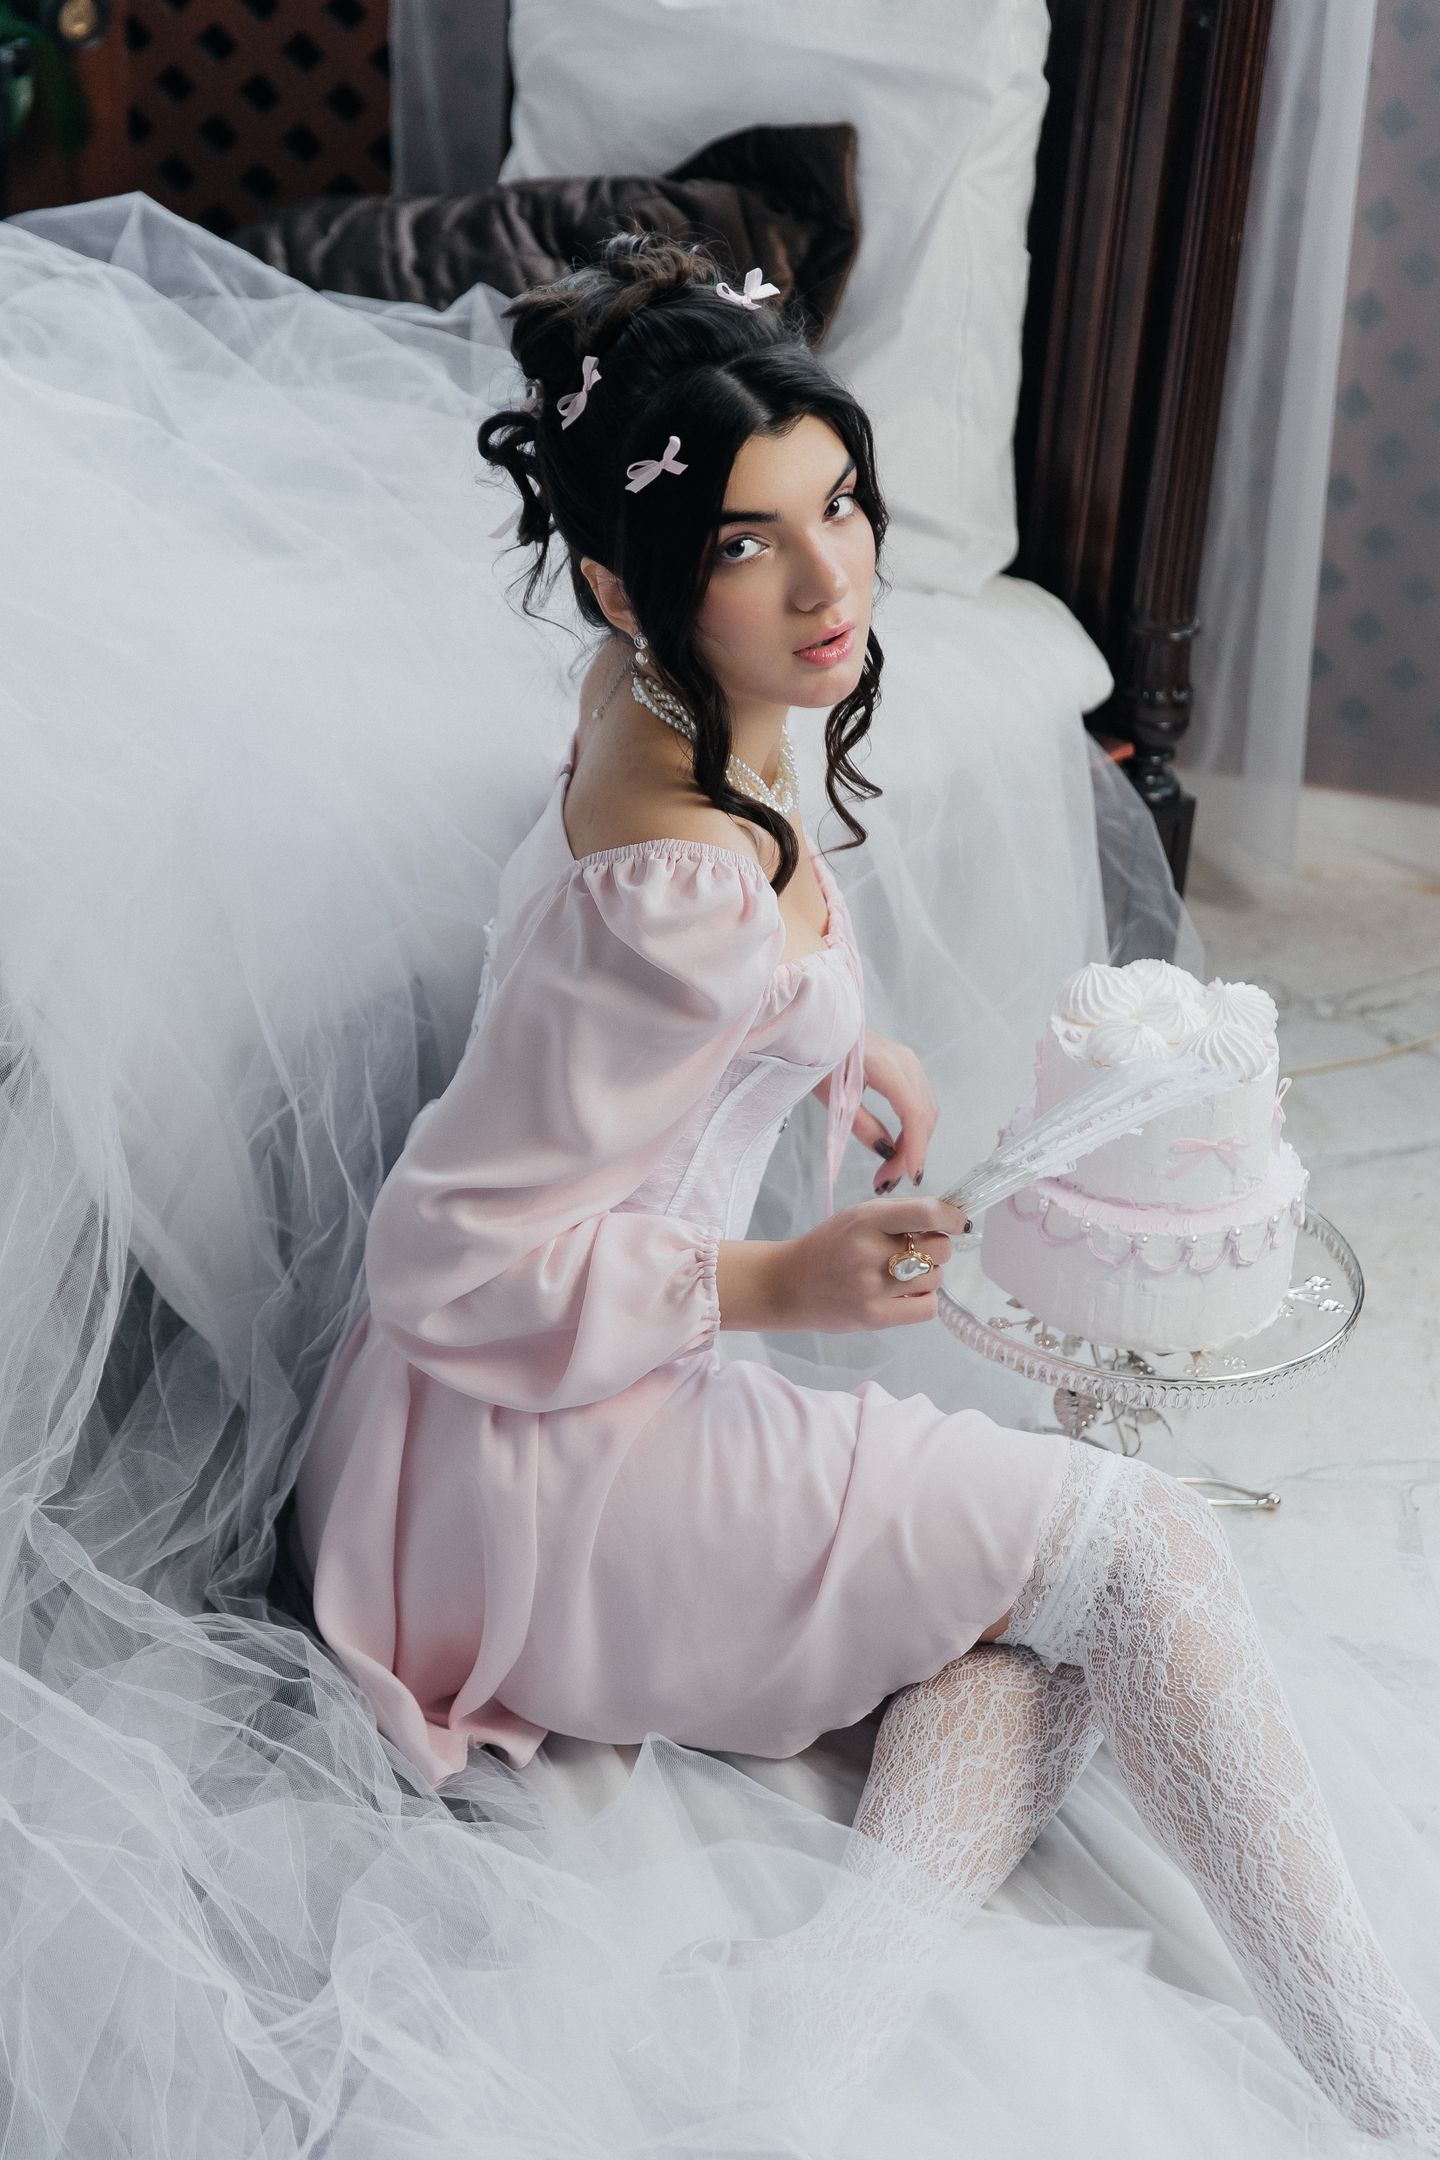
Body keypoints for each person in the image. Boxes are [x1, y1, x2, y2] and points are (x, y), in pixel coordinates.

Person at [3, 195, 1438, 2157]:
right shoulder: (676, 900)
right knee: (1145, 1548)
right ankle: (1394, 2084)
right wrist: (776, 1284)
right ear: (627, 586)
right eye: (749, 543)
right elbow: (443, 1259)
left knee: (1028, 1625)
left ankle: (817, 2023)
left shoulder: (665, 703)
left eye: (839, 503)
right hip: (548, 1476)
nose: (832, 579)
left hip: (513, 1437)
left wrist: (841, 1046)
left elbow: (711, 963)